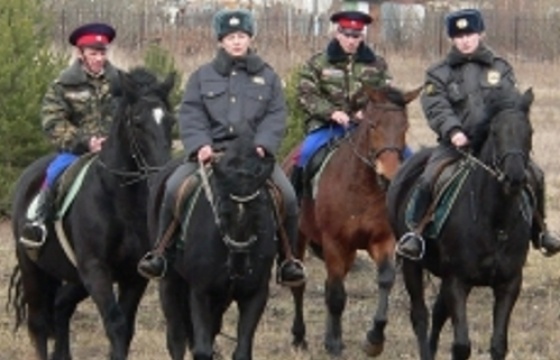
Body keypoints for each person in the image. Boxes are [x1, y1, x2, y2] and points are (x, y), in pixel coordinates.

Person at [137, 8, 306, 286]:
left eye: (241, 36)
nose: (236, 42)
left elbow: (276, 115)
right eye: (230, 37)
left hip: (254, 158)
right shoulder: (202, 76)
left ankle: (287, 261)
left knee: (286, 195)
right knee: (173, 187)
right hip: (212, 154)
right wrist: (200, 145)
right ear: (220, 41)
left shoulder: (269, 77)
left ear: (250, 38)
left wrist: (264, 145)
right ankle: (161, 253)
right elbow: (191, 113)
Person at [396, 8, 560, 259]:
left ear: (480, 34)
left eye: (470, 34)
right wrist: (453, 131)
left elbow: (510, 104)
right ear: (452, 39)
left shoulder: (500, 67)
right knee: (429, 177)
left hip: (495, 145)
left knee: (534, 174)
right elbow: (436, 106)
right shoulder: (437, 72)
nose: (465, 40)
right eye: (459, 35)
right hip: (455, 144)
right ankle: (416, 234)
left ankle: (540, 230)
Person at [19, 22, 123, 251]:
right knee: (54, 173)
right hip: (76, 153)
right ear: (80, 53)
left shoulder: (121, 83)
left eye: (102, 52)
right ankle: (37, 222)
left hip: (116, 152)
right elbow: (52, 121)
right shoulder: (62, 85)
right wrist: (85, 142)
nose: (99, 58)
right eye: (93, 53)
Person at [292, 10, 411, 199]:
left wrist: (365, 113)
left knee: (408, 156)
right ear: (337, 33)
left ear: (362, 36)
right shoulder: (318, 63)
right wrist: (332, 113)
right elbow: (306, 94)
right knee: (305, 154)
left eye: (356, 36)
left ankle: (406, 210)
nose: (351, 40)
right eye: (346, 34)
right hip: (327, 126)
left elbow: (385, 97)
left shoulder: (377, 64)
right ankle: (298, 202)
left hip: (367, 126)